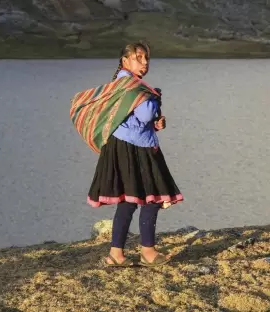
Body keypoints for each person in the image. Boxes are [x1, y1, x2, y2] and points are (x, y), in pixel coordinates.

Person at [87, 42, 184, 267]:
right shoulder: (132, 85)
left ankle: (116, 255)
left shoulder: (122, 83)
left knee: (128, 202)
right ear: (125, 60)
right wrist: (155, 97)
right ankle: (148, 252)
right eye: (138, 58)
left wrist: (156, 123)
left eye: (146, 58)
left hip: (124, 145)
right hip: (135, 148)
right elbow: (145, 114)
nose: (144, 63)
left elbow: (137, 120)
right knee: (152, 199)